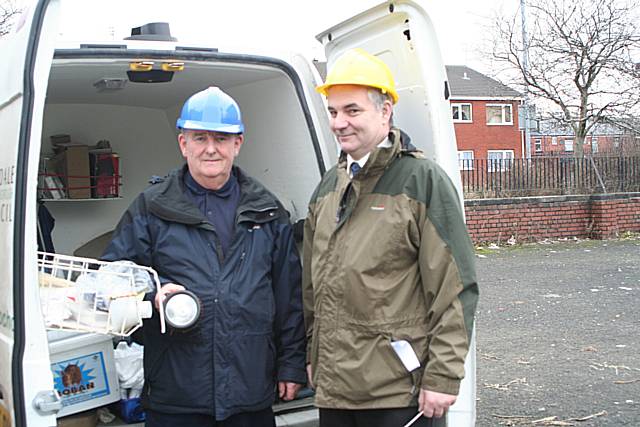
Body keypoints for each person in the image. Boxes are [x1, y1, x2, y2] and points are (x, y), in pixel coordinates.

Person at [102, 86, 306, 427]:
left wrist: (291, 365)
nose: (211, 149)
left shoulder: (268, 211)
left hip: (249, 390)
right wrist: (154, 295)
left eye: (222, 139)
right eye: (200, 138)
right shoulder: (152, 207)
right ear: (183, 144)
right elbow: (112, 276)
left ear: (237, 144)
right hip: (177, 392)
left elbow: (289, 296)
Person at [302, 49, 479, 427]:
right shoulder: (328, 186)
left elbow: (454, 288)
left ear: (385, 112)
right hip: (335, 387)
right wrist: (312, 353)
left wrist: (444, 375)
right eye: (333, 112)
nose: (339, 123)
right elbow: (312, 287)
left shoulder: (421, 181)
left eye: (352, 110)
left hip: (398, 390)